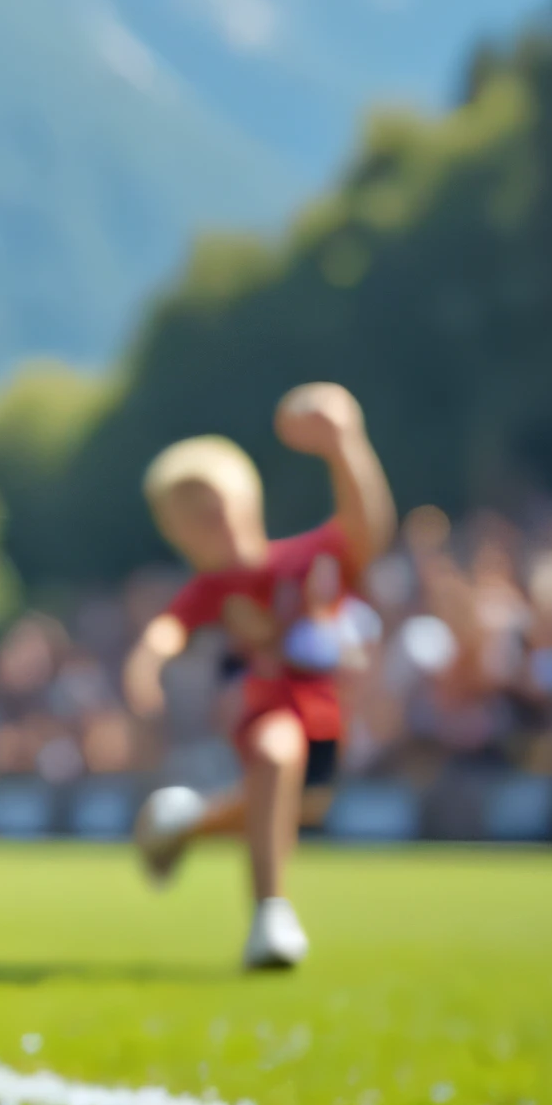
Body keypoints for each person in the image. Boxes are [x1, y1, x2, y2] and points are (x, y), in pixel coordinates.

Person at [119, 382, 394, 973]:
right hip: (265, 703)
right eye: (188, 514)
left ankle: (185, 825)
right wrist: (147, 662)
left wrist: (345, 444)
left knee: (296, 805)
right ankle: (270, 913)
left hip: (328, 714)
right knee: (275, 753)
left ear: (246, 498)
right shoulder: (213, 590)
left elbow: (366, 529)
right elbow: (168, 629)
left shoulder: (302, 561)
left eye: (211, 501)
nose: (207, 519)